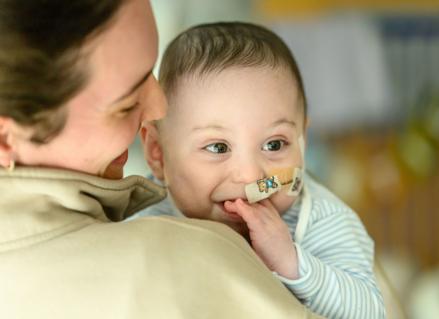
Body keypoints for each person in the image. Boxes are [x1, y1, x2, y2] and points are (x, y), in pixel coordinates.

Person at [0, 1, 323, 318]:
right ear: (5, 138)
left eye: (151, 73)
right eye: (125, 104)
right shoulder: (189, 260)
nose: (159, 108)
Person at [139, 22, 386, 318]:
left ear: (302, 141)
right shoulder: (142, 212)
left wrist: (292, 263)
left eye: (274, 144)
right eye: (218, 147)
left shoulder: (321, 220)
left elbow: (369, 312)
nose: (251, 176)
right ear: (158, 154)